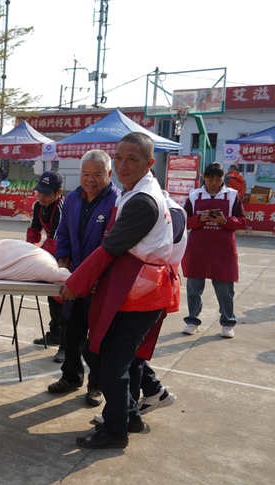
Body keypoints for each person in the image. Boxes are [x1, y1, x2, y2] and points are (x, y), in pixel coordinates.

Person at [62, 132, 179, 449]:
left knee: (113, 366)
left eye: (132, 159)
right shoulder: (132, 192)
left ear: (149, 163)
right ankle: (129, 416)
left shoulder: (143, 201)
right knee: (98, 353)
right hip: (128, 289)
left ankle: (116, 432)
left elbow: (110, 247)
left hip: (142, 293)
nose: (123, 165)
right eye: (120, 157)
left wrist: (75, 283)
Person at [48, 150, 119, 407]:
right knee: (71, 331)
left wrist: (90, 277)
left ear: (109, 174)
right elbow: (63, 233)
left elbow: (110, 247)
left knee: (97, 338)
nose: (90, 179)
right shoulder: (72, 199)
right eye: (85, 174)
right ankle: (71, 377)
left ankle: (95, 385)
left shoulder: (116, 202)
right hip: (74, 278)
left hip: (100, 283)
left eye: (97, 174)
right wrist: (63, 259)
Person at [181, 162, 246, 338]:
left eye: (217, 179)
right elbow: (184, 220)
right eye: (210, 179)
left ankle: (227, 323)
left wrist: (224, 221)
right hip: (198, 249)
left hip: (223, 250)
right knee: (194, 288)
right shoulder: (194, 195)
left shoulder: (232, 196)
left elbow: (242, 221)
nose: (214, 183)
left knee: (225, 289)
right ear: (204, 177)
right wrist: (199, 219)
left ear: (222, 178)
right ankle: (192, 321)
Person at [26, 171, 65, 362]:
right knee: (51, 295)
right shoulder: (38, 206)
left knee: (64, 298)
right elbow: (34, 230)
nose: (41, 197)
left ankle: (68, 343)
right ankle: (55, 332)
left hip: (66, 253)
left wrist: (38, 257)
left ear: (59, 192)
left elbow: (55, 239)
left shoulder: (62, 209)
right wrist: (27, 251)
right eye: (39, 192)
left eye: (46, 194)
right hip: (50, 252)